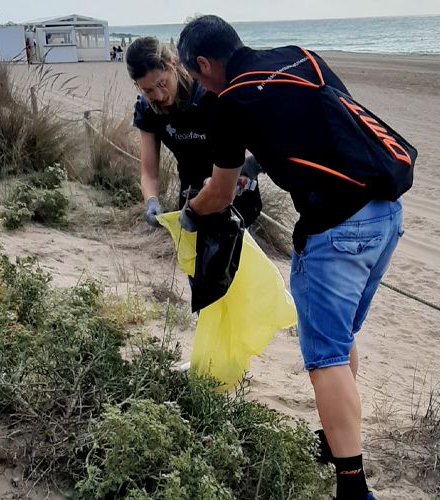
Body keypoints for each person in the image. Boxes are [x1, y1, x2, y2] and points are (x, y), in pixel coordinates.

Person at [177, 15, 413, 500]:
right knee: (341, 336)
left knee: (324, 357)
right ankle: (333, 439)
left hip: (337, 231)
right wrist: (252, 166)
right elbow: (322, 125)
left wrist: (190, 213)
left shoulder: (229, 103)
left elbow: (219, 196)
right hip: (386, 214)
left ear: (203, 64)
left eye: (196, 77)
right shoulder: (298, 56)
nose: (200, 87)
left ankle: (352, 486)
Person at [126, 36, 261, 228]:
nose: (159, 95)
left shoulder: (206, 92)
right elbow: (149, 173)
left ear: (171, 64)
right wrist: (151, 200)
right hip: (191, 199)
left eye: (162, 83)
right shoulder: (147, 110)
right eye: (148, 91)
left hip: (233, 192)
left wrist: (245, 168)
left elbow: (247, 145)